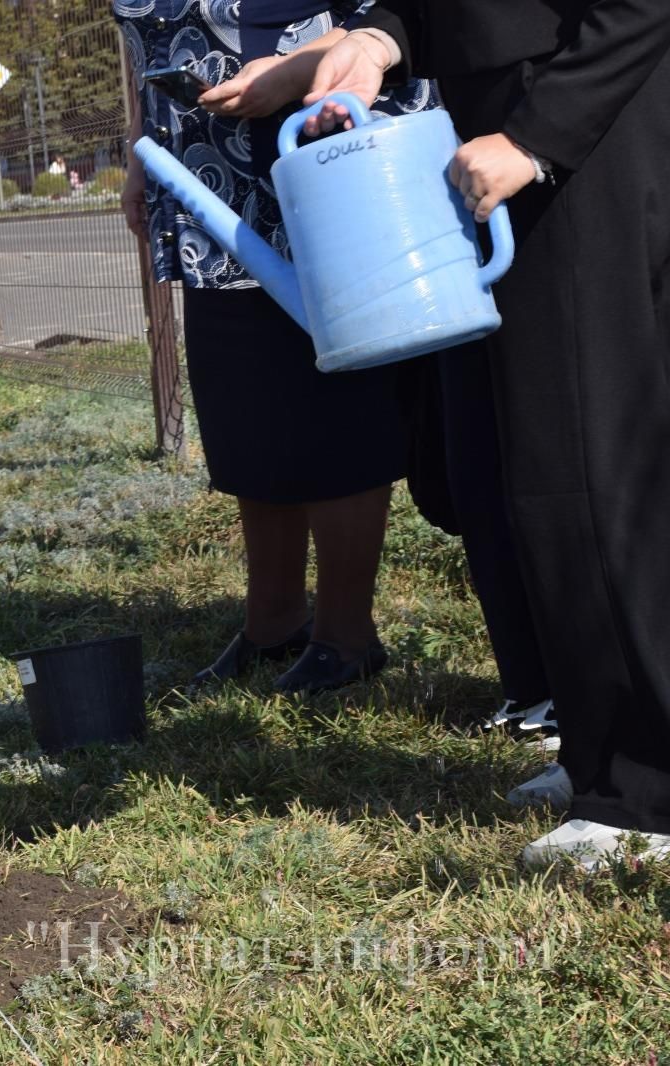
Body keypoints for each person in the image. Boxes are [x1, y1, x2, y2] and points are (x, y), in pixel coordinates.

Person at [304, 3, 670, 868]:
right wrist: (381, 39)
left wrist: (539, 136)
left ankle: (644, 794)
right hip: (522, 122)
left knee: (584, 459)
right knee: (545, 464)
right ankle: (601, 752)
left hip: (580, 126)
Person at [116, 3, 434, 692]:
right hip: (205, 170)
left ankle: (346, 636)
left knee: (332, 403)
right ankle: (274, 623)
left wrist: (293, 74)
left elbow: (389, 12)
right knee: (245, 405)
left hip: (319, 149)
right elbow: (156, 42)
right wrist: (144, 147)